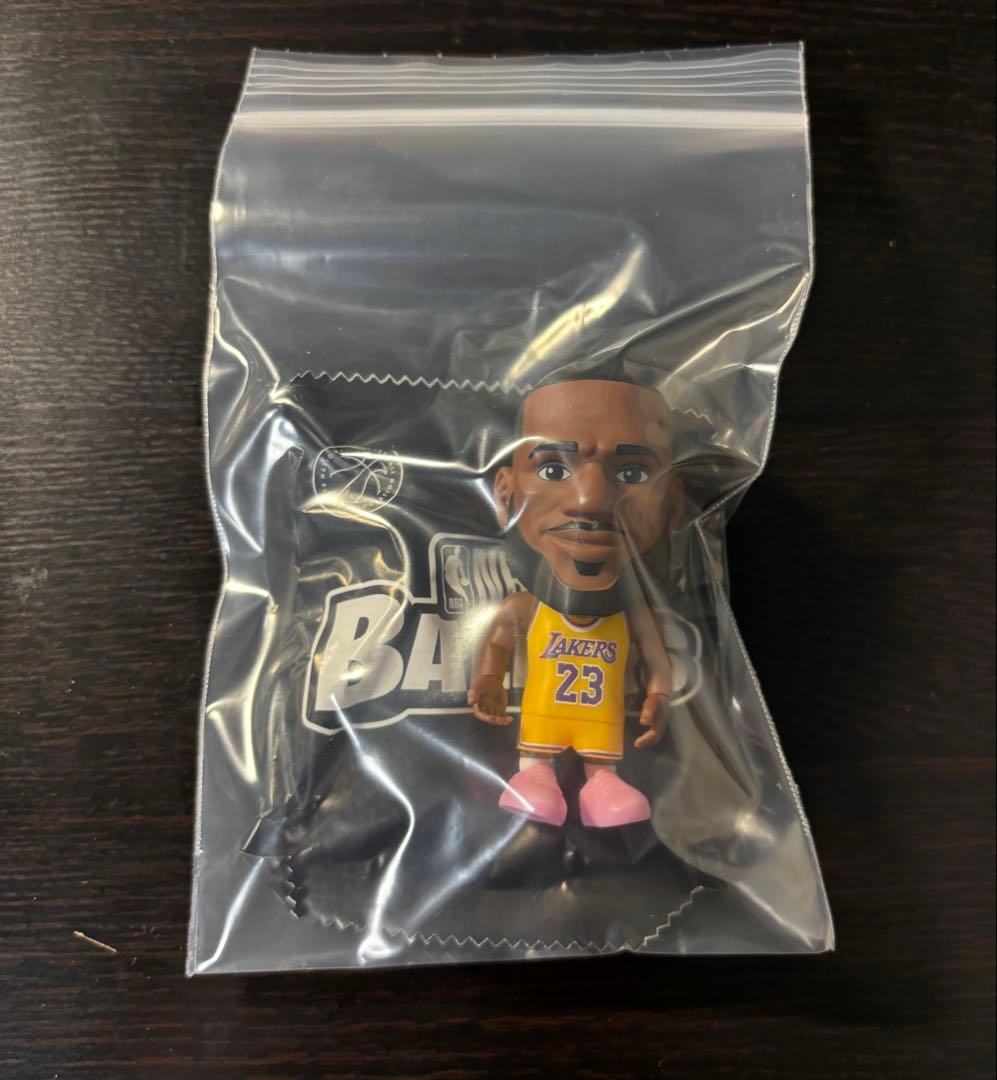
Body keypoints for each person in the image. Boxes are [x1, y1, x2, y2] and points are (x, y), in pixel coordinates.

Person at [468, 374, 680, 827]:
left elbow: (655, 661)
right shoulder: (527, 606)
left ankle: (602, 785)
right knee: (536, 765)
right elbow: (500, 641)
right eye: (553, 469)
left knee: (603, 769)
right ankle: (534, 779)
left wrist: (660, 695)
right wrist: (489, 678)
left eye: (632, 473)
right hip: (542, 723)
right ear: (504, 491)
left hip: (600, 728)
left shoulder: (635, 615)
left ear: (672, 505)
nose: (591, 500)